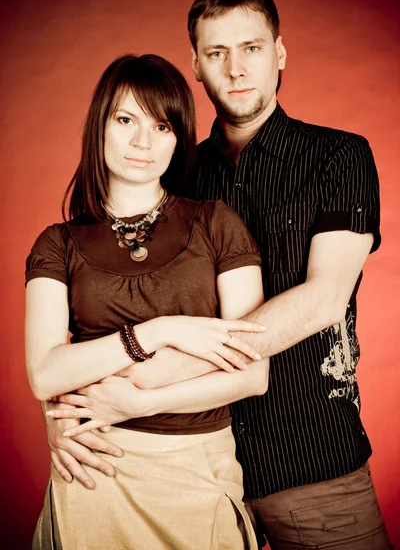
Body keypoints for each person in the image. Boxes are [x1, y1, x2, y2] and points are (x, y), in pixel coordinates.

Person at [41, 0, 393, 550]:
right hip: (189, 466)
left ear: (279, 53)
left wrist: (153, 375)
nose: (236, 70)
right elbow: (99, 299)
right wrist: (65, 419)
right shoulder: (175, 171)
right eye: (216, 53)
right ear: (197, 68)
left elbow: (324, 299)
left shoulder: (340, 155)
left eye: (251, 48)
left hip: (310, 461)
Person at [25, 52, 272, 549]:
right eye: (125, 120)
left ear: (179, 138)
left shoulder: (216, 222)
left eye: (162, 126)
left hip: (198, 467)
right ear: (100, 127)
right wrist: (161, 330)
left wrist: (141, 402)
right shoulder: (58, 243)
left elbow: (252, 374)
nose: (143, 142)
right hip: (95, 468)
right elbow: (46, 373)